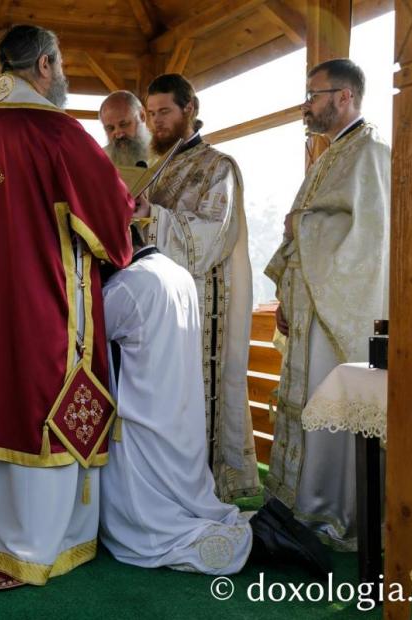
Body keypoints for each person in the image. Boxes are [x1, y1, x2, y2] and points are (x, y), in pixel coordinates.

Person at [0, 24, 135, 585]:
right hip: (49, 304)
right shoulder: (57, 131)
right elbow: (111, 220)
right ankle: (42, 545)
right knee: (39, 400)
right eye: (62, 64)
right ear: (47, 65)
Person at [100, 225, 330, 576]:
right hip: (180, 416)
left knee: (141, 531)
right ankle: (269, 526)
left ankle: (258, 540)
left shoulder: (126, 286)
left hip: (143, 421)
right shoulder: (176, 272)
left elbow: (88, 330)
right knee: (186, 499)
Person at [265, 58, 390, 550]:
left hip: (336, 316)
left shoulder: (372, 153)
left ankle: (328, 512)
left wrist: (304, 225)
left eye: (315, 94)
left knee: (329, 408)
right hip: (310, 309)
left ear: (345, 97)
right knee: (306, 406)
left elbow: (371, 242)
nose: (308, 104)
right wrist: (286, 294)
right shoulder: (331, 154)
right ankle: (299, 505)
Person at [142, 73, 260, 502]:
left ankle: (206, 485)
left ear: (189, 109)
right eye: (151, 114)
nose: (156, 122)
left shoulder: (218, 167)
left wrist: (150, 216)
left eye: (165, 112)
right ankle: (169, 483)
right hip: (161, 308)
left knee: (197, 392)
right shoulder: (158, 170)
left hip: (203, 306)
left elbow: (209, 239)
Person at [99, 90, 152, 167]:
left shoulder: (164, 155)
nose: (118, 134)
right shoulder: (100, 161)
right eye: (110, 128)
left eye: (124, 125)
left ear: (142, 116)